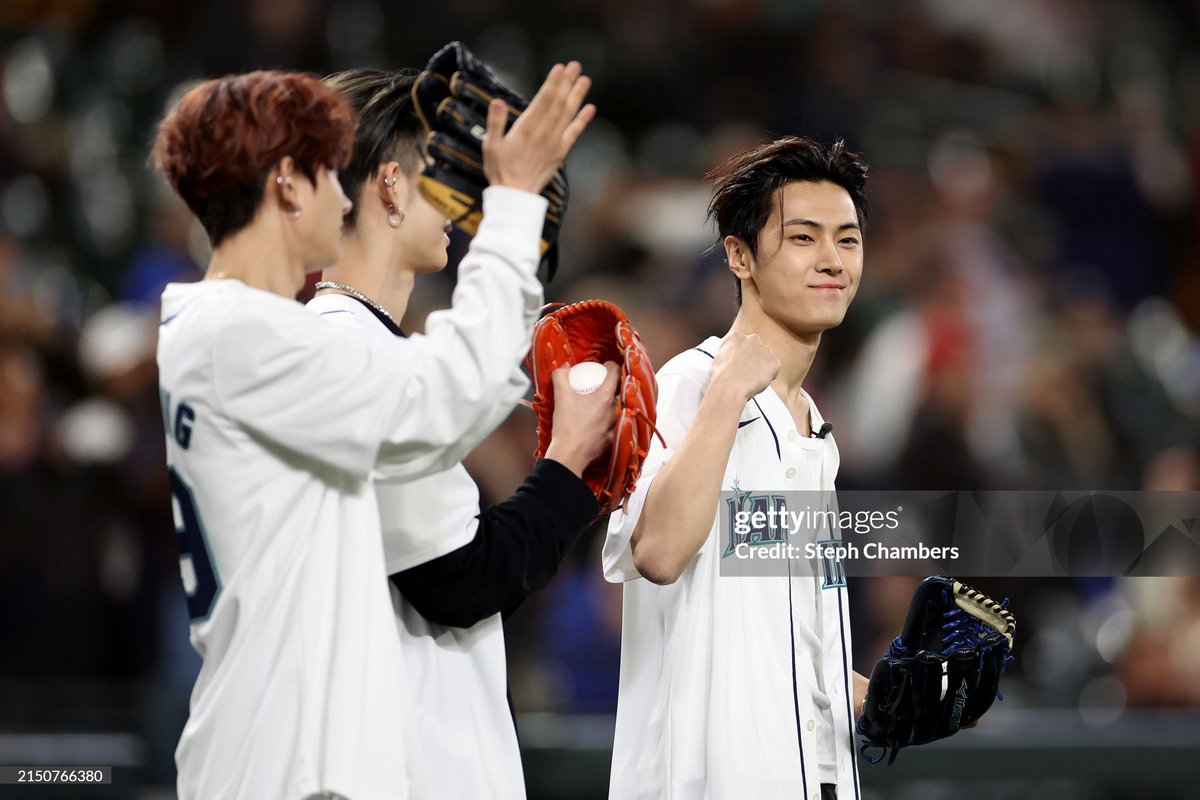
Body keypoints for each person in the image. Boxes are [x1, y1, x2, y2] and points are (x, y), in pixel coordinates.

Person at [152, 64, 592, 800]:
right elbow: (444, 398)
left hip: (285, 757)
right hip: (285, 767)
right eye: (329, 174)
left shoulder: (244, 331)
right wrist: (512, 210)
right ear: (287, 186)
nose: (341, 190)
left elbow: (435, 398)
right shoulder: (250, 333)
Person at [310, 67, 611, 799]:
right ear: (389, 185)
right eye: (444, 176)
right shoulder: (346, 348)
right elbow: (462, 581)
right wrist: (570, 467)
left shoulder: (348, 343)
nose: (463, 201)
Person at [602, 137, 871, 800]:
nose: (832, 260)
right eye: (803, 238)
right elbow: (659, 551)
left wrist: (895, 691)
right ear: (739, 255)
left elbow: (792, 639)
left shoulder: (814, 429)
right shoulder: (690, 384)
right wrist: (727, 395)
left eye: (848, 239)